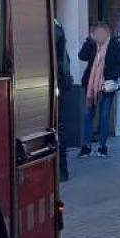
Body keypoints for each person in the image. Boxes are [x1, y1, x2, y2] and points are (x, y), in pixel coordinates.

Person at [78, 21, 120, 157]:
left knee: (104, 115)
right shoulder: (92, 44)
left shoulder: (114, 45)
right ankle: (86, 146)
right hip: (91, 85)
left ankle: (102, 146)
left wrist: (109, 76)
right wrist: (89, 41)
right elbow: (81, 56)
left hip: (107, 86)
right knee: (88, 115)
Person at [55, 20, 73, 180]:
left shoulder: (54, 27)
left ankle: (62, 169)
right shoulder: (57, 25)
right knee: (59, 127)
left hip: (57, 82)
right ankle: (62, 170)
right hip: (60, 82)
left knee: (58, 128)